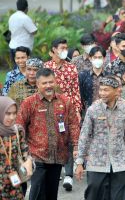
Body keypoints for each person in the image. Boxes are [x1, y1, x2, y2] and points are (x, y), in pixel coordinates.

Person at [16, 68, 80, 200]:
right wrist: (23, 153)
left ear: (55, 82)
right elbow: (19, 127)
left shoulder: (65, 101)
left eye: (51, 82)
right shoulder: (29, 102)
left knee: (52, 194)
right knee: (37, 192)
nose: (48, 85)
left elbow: (73, 124)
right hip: (37, 156)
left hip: (58, 156)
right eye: (44, 83)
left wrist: (76, 146)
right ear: (38, 84)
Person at [75, 76, 125, 200]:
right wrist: (80, 162)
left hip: (120, 161)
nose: (102, 93)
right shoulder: (93, 109)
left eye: (106, 90)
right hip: (97, 161)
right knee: (94, 195)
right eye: (101, 90)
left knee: (122, 196)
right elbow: (85, 135)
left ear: (116, 91)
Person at [44, 38, 81, 191]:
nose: (65, 50)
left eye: (67, 47)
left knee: (69, 140)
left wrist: (77, 110)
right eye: (62, 47)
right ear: (54, 50)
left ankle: (69, 175)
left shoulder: (71, 68)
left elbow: (75, 91)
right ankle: (53, 169)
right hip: (49, 108)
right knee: (52, 139)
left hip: (68, 108)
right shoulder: (46, 67)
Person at [0, 96, 32, 199]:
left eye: (14, 113)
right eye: (8, 113)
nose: (12, 117)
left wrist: (29, 161)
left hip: (15, 185)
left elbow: (25, 152)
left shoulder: (17, 130)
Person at [78, 46, 107, 113]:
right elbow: (80, 95)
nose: (97, 59)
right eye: (95, 57)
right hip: (88, 112)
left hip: (106, 112)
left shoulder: (109, 76)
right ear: (90, 58)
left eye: (100, 57)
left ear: (104, 59)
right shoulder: (83, 75)